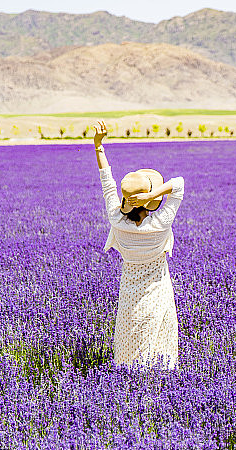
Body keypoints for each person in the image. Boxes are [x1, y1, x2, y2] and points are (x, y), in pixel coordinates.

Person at [92, 120, 185, 370]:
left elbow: (107, 182)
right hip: (158, 292)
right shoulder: (160, 224)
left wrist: (98, 145)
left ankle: (127, 377)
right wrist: (153, 194)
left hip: (129, 293)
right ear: (148, 202)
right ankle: (159, 380)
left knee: (130, 338)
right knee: (159, 340)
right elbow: (178, 184)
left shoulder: (116, 219)